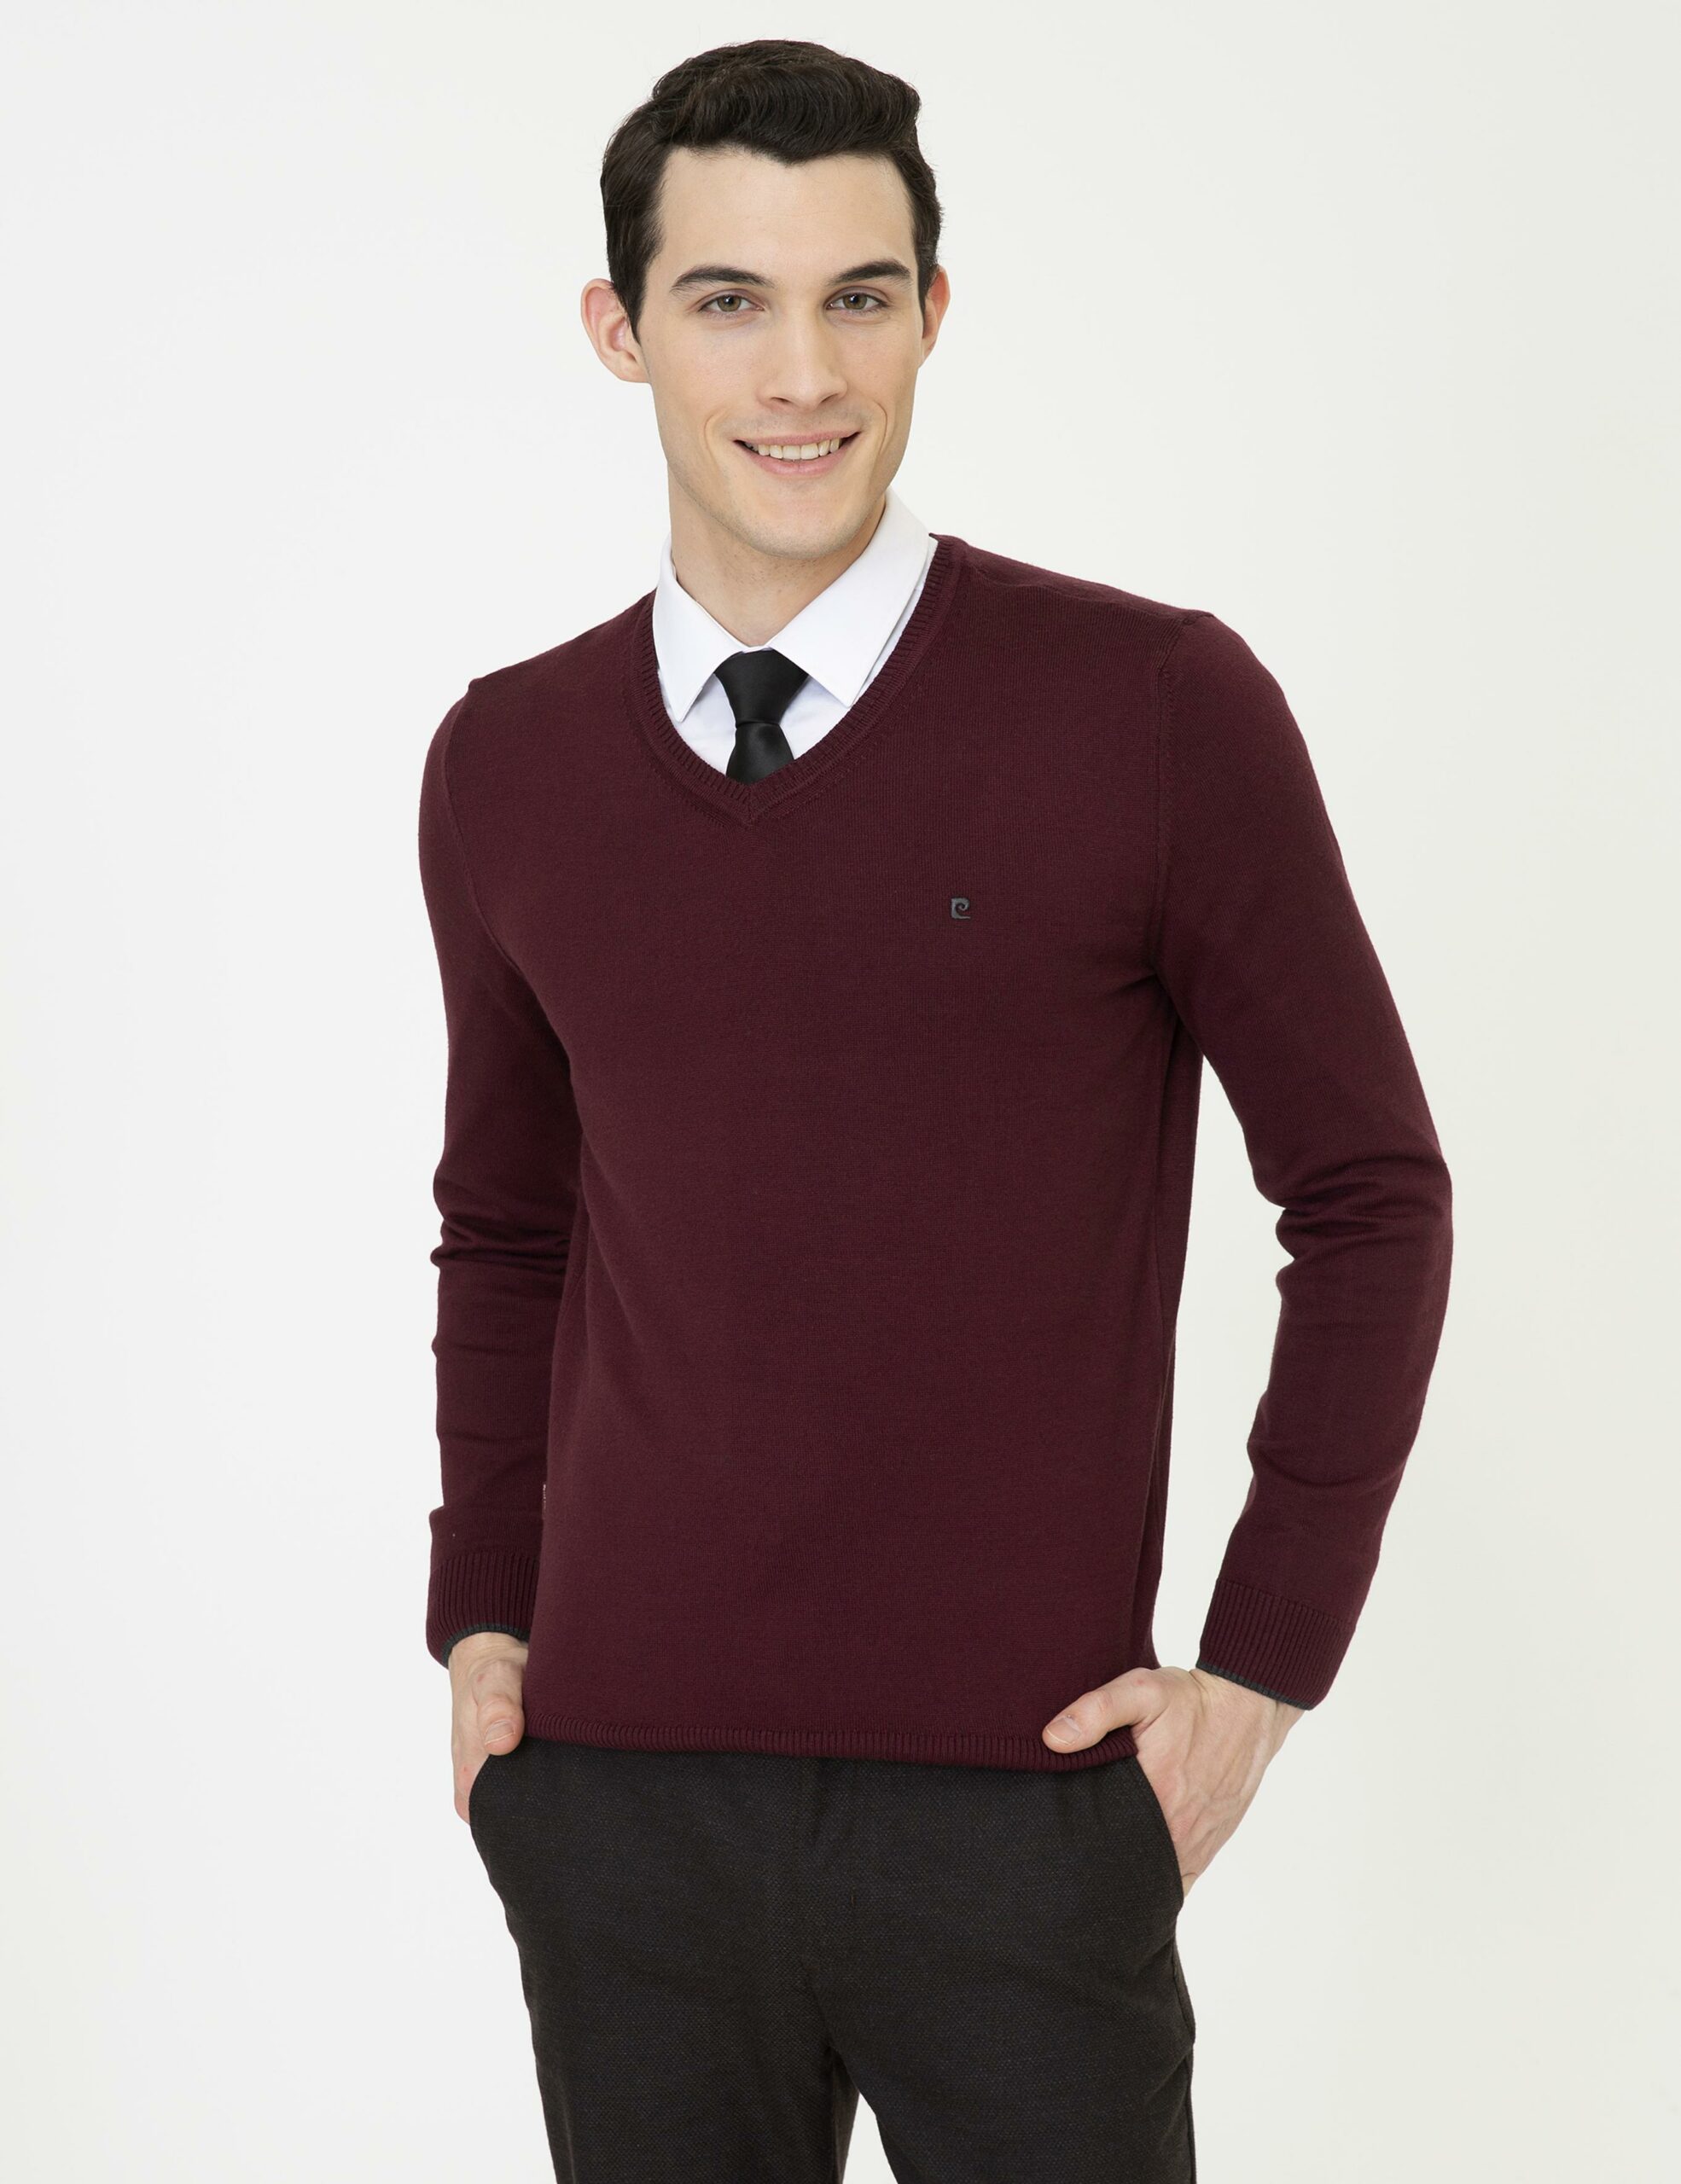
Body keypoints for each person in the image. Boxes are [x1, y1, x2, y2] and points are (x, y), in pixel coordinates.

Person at [416, 37, 1453, 2183]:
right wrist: (485, 1618)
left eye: (859, 297)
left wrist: (1259, 1669)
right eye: (728, 300)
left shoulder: (1152, 709)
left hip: (1025, 1808)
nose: (803, 372)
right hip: (620, 1803)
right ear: (619, 328)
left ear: (932, 313)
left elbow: (1367, 1192)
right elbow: (511, 1223)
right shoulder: (506, 760)